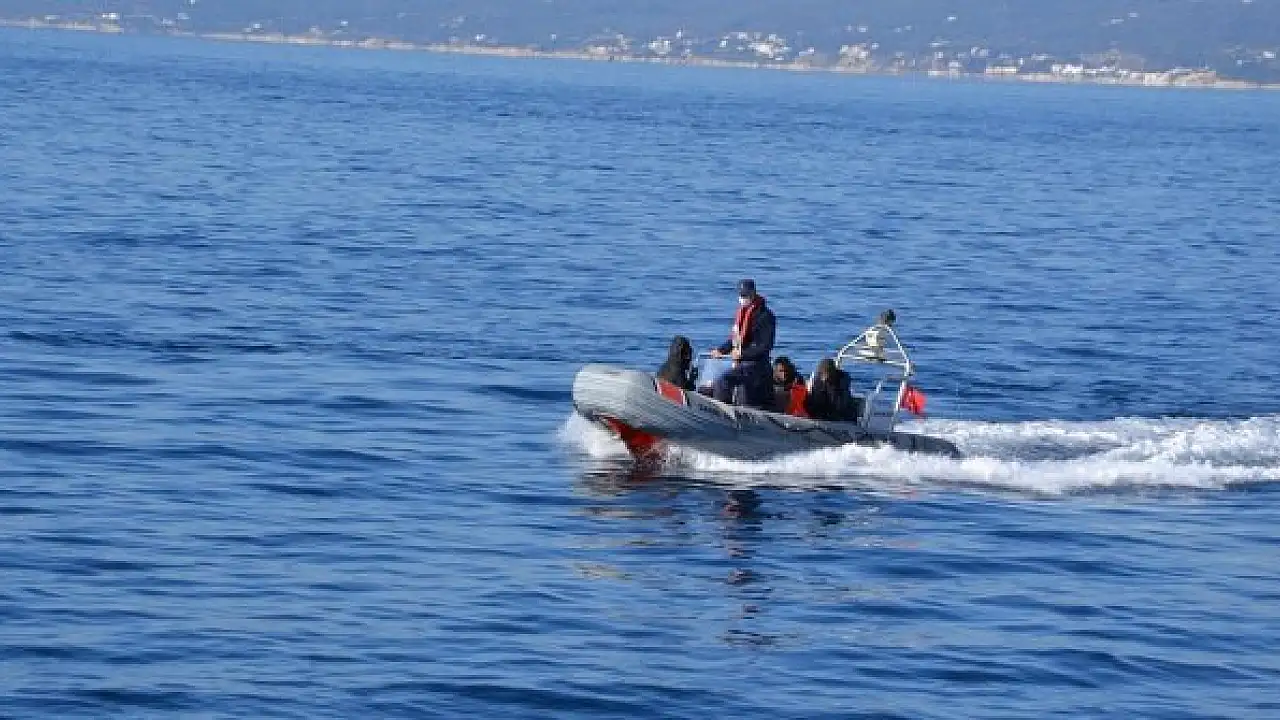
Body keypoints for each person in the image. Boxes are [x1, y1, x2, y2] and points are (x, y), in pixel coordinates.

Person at [710, 279, 776, 408]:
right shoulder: (743, 313)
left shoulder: (765, 316)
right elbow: (736, 339)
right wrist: (721, 350)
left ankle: (720, 411)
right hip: (742, 363)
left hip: (756, 365)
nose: (743, 298)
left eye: (746, 295)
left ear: (753, 293)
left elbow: (765, 346)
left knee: (724, 380)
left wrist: (743, 354)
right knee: (723, 382)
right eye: (741, 295)